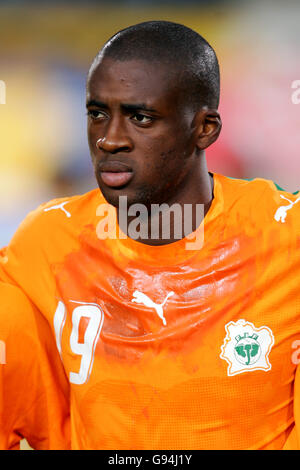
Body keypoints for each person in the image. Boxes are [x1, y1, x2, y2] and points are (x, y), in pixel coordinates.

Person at [1, 20, 300, 450]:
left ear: (205, 129)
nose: (110, 140)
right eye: (97, 114)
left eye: (140, 117)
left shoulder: (285, 239)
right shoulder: (46, 245)